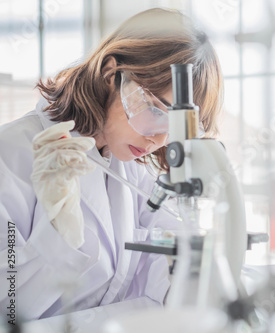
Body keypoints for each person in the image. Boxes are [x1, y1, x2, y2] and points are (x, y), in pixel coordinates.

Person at [0, 8, 223, 320]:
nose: (159, 139)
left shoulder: (131, 166)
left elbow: (166, 264)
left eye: (175, 126)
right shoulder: (8, 155)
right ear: (110, 74)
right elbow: (7, 308)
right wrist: (56, 235)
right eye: (157, 110)